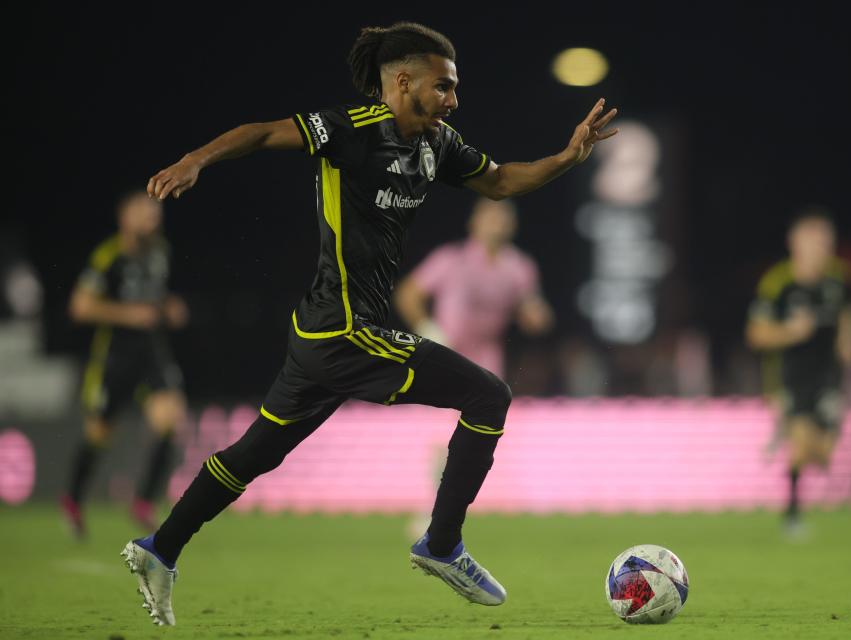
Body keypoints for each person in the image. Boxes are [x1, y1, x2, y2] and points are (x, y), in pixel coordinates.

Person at [121, 21, 618, 626]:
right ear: (402, 81)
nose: (453, 100)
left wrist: (568, 157)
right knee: (489, 395)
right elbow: (261, 133)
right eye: (443, 87)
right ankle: (440, 546)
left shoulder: (437, 143)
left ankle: (159, 549)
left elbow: (501, 180)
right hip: (345, 332)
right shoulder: (350, 130)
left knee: (251, 456)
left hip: (318, 336)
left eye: (455, 88)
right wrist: (195, 159)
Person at [62, 191, 189, 538]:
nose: (152, 219)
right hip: (116, 356)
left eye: (155, 213)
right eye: (144, 213)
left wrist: (168, 308)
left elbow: (152, 298)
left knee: (170, 419)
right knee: (100, 433)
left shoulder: (161, 253)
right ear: (125, 218)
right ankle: (73, 500)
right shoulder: (108, 256)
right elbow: (80, 307)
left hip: (152, 352)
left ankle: (144, 502)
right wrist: (130, 315)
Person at [745, 210, 851, 534]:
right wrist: (791, 332)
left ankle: (786, 434)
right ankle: (792, 516)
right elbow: (756, 334)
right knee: (801, 444)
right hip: (789, 375)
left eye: (825, 241)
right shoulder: (778, 283)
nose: (820, 248)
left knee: (822, 455)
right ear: (795, 243)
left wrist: (848, 339)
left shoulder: (840, 278)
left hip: (828, 376)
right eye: (813, 241)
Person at [394, 196, 553, 378]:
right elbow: (407, 294)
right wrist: (428, 329)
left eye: (503, 216)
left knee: (486, 403)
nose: (497, 222)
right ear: (474, 221)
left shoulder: (520, 267)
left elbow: (531, 312)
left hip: (488, 360)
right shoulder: (450, 259)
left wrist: (537, 317)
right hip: (446, 353)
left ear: (513, 224)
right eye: (490, 215)